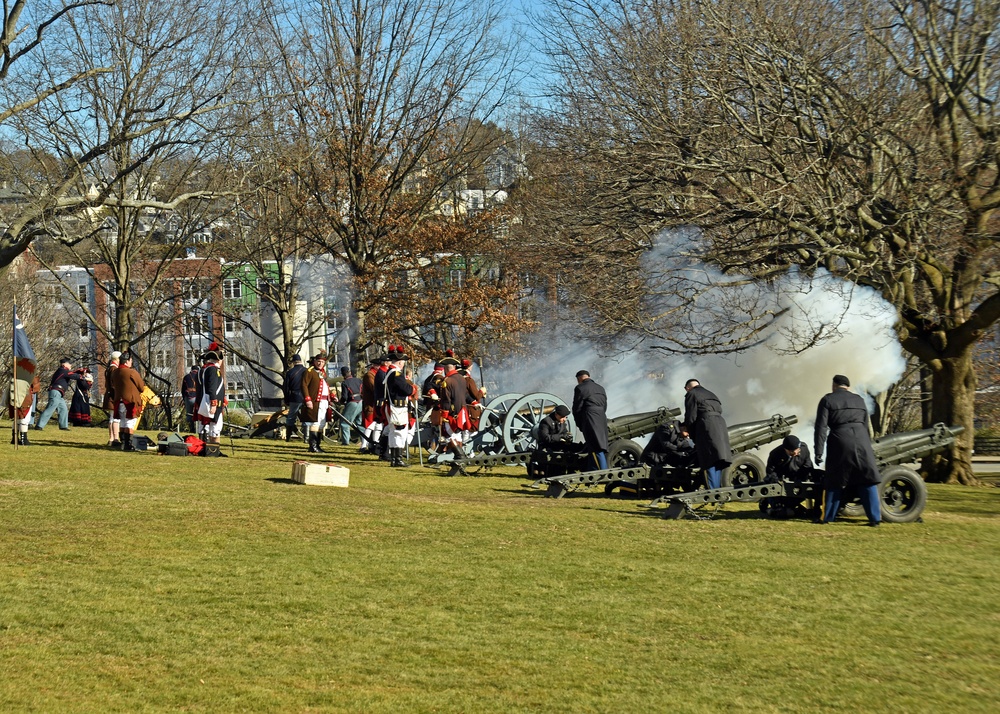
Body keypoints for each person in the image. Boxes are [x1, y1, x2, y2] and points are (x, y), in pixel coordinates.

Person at [814, 374, 882, 527]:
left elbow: (821, 428)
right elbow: (865, 423)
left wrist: (818, 452)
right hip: (862, 440)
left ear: (834, 385)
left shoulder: (827, 400)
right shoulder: (859, 399)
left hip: (840, 440)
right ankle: (875, 519)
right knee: (867, 479)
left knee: (834, 480)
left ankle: (827, 517)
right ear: (848, 387)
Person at [683, 378, 732, 490]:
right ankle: (717, 488)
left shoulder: (691, 394)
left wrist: (692, 435)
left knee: (708, 458)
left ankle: (712, 490)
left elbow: (690, 417)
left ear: (687, 388)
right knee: (718, 458)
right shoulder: (712, 394)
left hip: (706, 425)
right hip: (720, 425)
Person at [383, 348, 416, 467]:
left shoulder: (390, 372)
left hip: (394, 406)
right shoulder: (396, 374)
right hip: (397, 407)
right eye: (403, 362)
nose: (403, 364)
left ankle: (394, 459)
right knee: (399, 432)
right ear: (399, 362)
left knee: (393, 432)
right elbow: (406, 389)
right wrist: (413, 389)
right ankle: (398, 459)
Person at [572, 370, 609, 471]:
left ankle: (602, 472)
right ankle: (592, 470)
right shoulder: (601, 388)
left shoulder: (580, 388)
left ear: (579, 378)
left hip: (589, 417)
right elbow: (604, 406)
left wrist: (579, 423)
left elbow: (577, 408)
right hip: (601, 417)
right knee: (598, 446)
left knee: (596, 447)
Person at [110, 351, 146, 452]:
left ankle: (123, 443)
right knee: (130, 423)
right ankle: (128, 445)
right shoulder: (132, 372)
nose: (131, 363)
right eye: (130, 361)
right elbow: (141, 387)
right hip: (130, 401)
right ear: (126, 362)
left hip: (119, 400)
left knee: (123, 423)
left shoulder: (115, 372)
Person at [36, 358, 81, 431]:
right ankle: (39, 425)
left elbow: (71, 373)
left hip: (59, 393)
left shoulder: (62, 371)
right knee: (50, 408)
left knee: (63, 409)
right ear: (64, 364)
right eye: (69, 363)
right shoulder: (63, 371)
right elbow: (74, 376)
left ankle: (63, 426)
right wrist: (82, 376)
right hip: (55, 392)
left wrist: (78, 372)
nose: (70, 365)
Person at [195, 350, 226, 447]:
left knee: (207, 426)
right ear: (218, 360)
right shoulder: (213, 370)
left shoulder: (203, 369)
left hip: (204, 401)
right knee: (216, 427)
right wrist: (214, 404)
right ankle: (214, 449)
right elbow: (212, 388)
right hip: (213, 402)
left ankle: (207, 447)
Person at [301, 353, 330, 453]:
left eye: (322, 362)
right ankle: (312, 446)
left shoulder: (323, 373)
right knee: (315, 422)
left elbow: (325, 386)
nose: (320, 363)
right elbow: (304, 385)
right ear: (314, 361)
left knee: (321, 423)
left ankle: (318, 445)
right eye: (318, 361)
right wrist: (307, 399)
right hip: (315, 401)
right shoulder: (309, 372)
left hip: (324, 401)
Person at [8, 373, 41, 446]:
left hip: (15, 394)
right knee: (24, 418)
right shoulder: (27, 370)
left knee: (17, 418)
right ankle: (23, 439)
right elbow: (35, 386)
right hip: (24, 396)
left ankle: (15, 438)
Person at [282, 354, 306, 442]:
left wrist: (286, 400)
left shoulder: (290, 372)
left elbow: (286, 388)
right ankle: (306, 438)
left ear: (293, 362)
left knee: (291, 417)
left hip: (294, 397)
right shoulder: (307, 371)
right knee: (306, 418)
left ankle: (288, 437)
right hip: (305, 397)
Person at [339, 366, 363, 446]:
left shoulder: (345, 383)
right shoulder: (359, 380)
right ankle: (364, 441)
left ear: (343, 374)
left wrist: (340, 402)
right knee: (360, 423)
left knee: (345, 422)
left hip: (352, 402)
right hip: (361, 402)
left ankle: (345, 442)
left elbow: (344, 397)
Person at [103, 351, 122, 447]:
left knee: (112, 418)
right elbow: (114, 384)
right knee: (115, 418)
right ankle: (115, 438)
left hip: (109, 394)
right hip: (113, 396)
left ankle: (111, 438)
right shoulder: (114, 369)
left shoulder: (109, 368)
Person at [181, 365, 199, 432]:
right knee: (198, 414)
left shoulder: (186, 377)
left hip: (188, 397)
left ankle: (192, 429)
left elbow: (183, 389)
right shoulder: (200, 376)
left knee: (189, 414)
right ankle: (199, 429)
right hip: (197, 398)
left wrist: (184, 399)